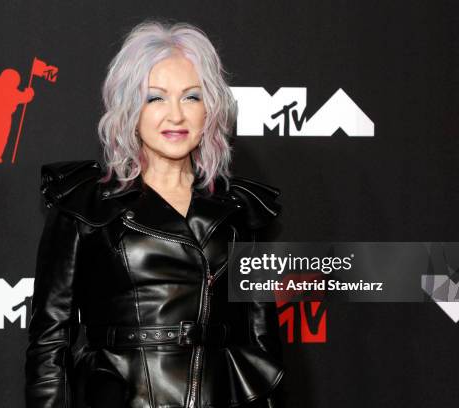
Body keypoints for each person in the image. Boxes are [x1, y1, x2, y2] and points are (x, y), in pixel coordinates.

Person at [25, 20, 284, 408]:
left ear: (210, 109)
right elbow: (50, 340)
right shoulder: (84, 205)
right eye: (156, 98)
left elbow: (261, 339)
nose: (176, 116)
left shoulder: (238, 210)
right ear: (130, 107)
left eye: (192, 97)